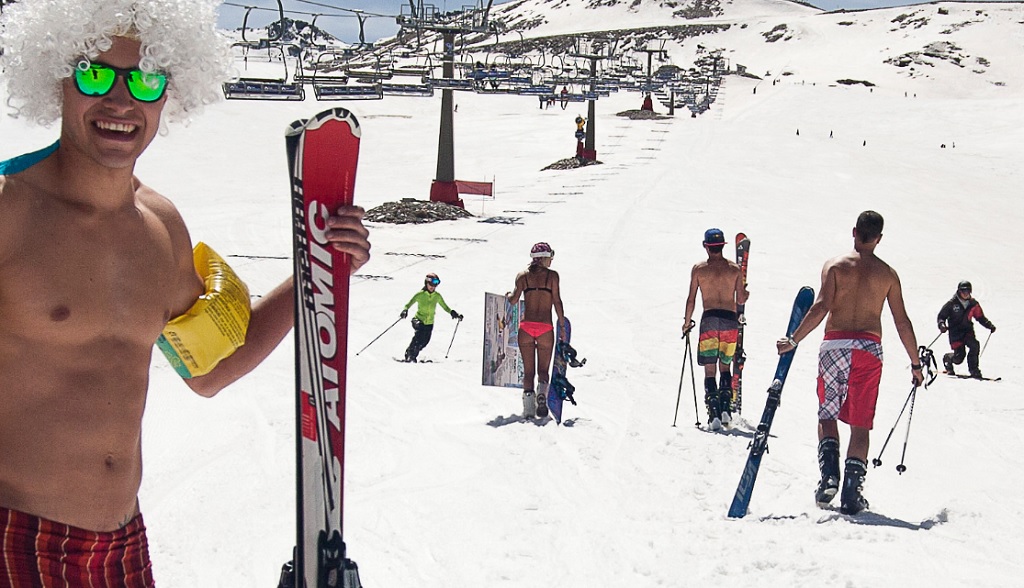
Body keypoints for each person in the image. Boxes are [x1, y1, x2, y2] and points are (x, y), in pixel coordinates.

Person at [0, 1, 371, 584]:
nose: (122, 101)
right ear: (58, 81)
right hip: (16, 538)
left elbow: (211, 369)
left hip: (123, 545)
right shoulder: (9, 210)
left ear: (168, 95)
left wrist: (320, 270)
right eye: (95, 74)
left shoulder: (158, 225)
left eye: (147, 80)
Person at [776, 211, 923, 515]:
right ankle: (852, 494)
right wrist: (915, 363)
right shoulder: (888, 275)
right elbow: (901, 321)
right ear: (878, 238)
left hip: (835, 345)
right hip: (869, 349)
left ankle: (830, 475)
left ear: (854, 231)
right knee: (860, 423)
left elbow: (820, 307)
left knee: (827, 413)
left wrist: (794, 340)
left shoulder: (835, 267)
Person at [682, 228, 749, 429]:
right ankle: (726, 409)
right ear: (722, 246)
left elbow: (691, 298)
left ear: (706, 246)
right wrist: (746, 293)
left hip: (709, 319)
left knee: (710, 369)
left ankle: (714, 415)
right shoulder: (735, 270)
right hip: (729, 321)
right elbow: (741, 299)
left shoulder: (699, 269)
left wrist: (687, 322)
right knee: (725, 366)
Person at [507, 242, 565, 418]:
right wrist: (562, 325)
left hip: (526, 327)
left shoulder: (522, 276)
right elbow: (557, 301)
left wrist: (508, 294)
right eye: (550, 257)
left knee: (528, 371)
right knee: (543, 371)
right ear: (544, 258)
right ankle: (542, 394)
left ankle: (529, 410)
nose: (551, 261)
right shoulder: (553, 277)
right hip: (545, 328)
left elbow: (513, 300)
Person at [937, 280, 996, 378]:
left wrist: (989, 325)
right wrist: (942, 325)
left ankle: (974, 370)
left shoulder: (973, 304)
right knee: (959, 357)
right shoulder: (952, 304)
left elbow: (980, 317)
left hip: (967, 331)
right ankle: (948, 359)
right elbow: (941, 316)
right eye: (963, 291)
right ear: (959, 292)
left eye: (967, 292)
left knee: (974, 345)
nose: (965, 294)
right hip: (955, 333)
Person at [400, 273, 462, 362]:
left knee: (425, 341)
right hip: (418, 320)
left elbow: (445, 306)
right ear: (426, 283)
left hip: (429, 323)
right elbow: (408, 304)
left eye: (435, 285)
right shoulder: (420, 294)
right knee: (419, 335)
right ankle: (410, 354)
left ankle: (413, 353)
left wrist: (452, 313)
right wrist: (405, 310)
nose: (433, 287)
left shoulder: (437, 296)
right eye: (431, 285)